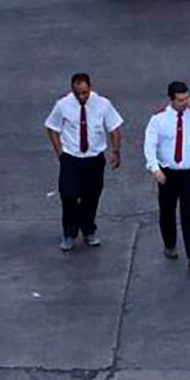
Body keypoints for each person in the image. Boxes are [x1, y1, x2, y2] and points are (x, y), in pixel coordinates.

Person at [144, 80, 190, 273]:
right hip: (168, 174)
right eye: (180, 100)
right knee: (167, 211)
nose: (184, 103)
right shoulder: (159, 120)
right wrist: (155, 169)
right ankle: (169, 243)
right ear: (171, 100)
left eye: (186, 99)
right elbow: (150, 145)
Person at [44, 72, 123, 252]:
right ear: (72, 90)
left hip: (94, 159)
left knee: (91, 196)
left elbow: (115, 128)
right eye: (78, 93)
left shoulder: (103, 104)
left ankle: (88, 229)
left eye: (85, 93)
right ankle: (69, 232)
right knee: (69, 195)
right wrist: (60, 153)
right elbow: (52, 128)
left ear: (90, 88)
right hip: (71, 159)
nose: (82, 97)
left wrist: (115, 151)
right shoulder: (63, 105)